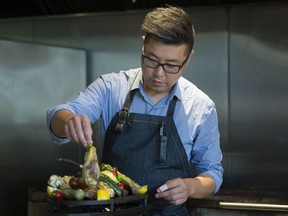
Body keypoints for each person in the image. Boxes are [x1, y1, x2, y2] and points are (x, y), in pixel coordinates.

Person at [47, 5, 223, 215]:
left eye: (171, 65)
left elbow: (212, 173)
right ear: (143, 46)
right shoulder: (111, 88)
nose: (159, 73)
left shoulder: (201, 106)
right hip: (113, 210)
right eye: (151, 59)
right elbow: (59, 114)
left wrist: (190, 187)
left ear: (188, 58)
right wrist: (68, 121)